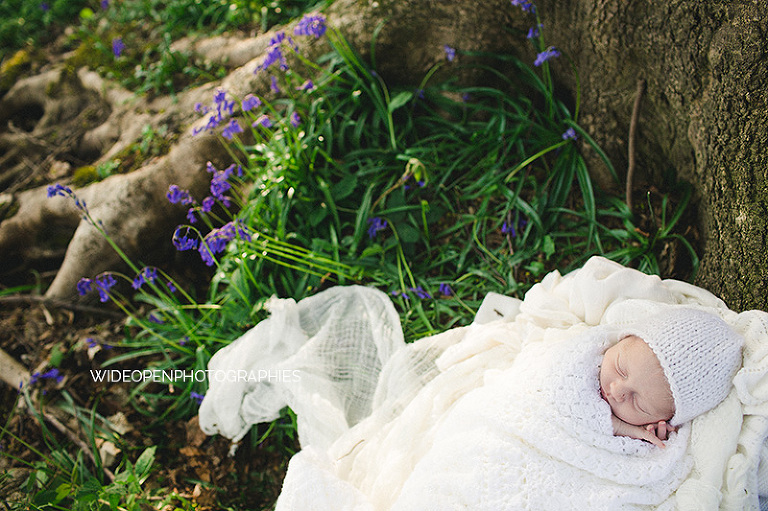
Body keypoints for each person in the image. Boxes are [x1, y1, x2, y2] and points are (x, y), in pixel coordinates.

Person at [600, 308, 744, 448]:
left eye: (638, 405)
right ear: (623, 339)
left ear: (663, 420)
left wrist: (628, 432)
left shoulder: (637, 437)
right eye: (620, 369)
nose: (616, 391)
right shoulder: (588, 351)